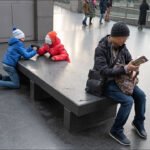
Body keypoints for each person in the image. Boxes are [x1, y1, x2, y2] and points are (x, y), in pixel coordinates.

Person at [93, 22, 147, 145]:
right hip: (106, 83)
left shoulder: (122, 46)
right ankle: (116, 130)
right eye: (124, 38)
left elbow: (129, 59)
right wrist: (126, 69)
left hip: (122, 81)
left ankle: (138, 122)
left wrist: (134, 65)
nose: (125, 41)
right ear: (117, 36)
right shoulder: (101, 49)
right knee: (127, 101)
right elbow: (103, 71)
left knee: (141, 96)